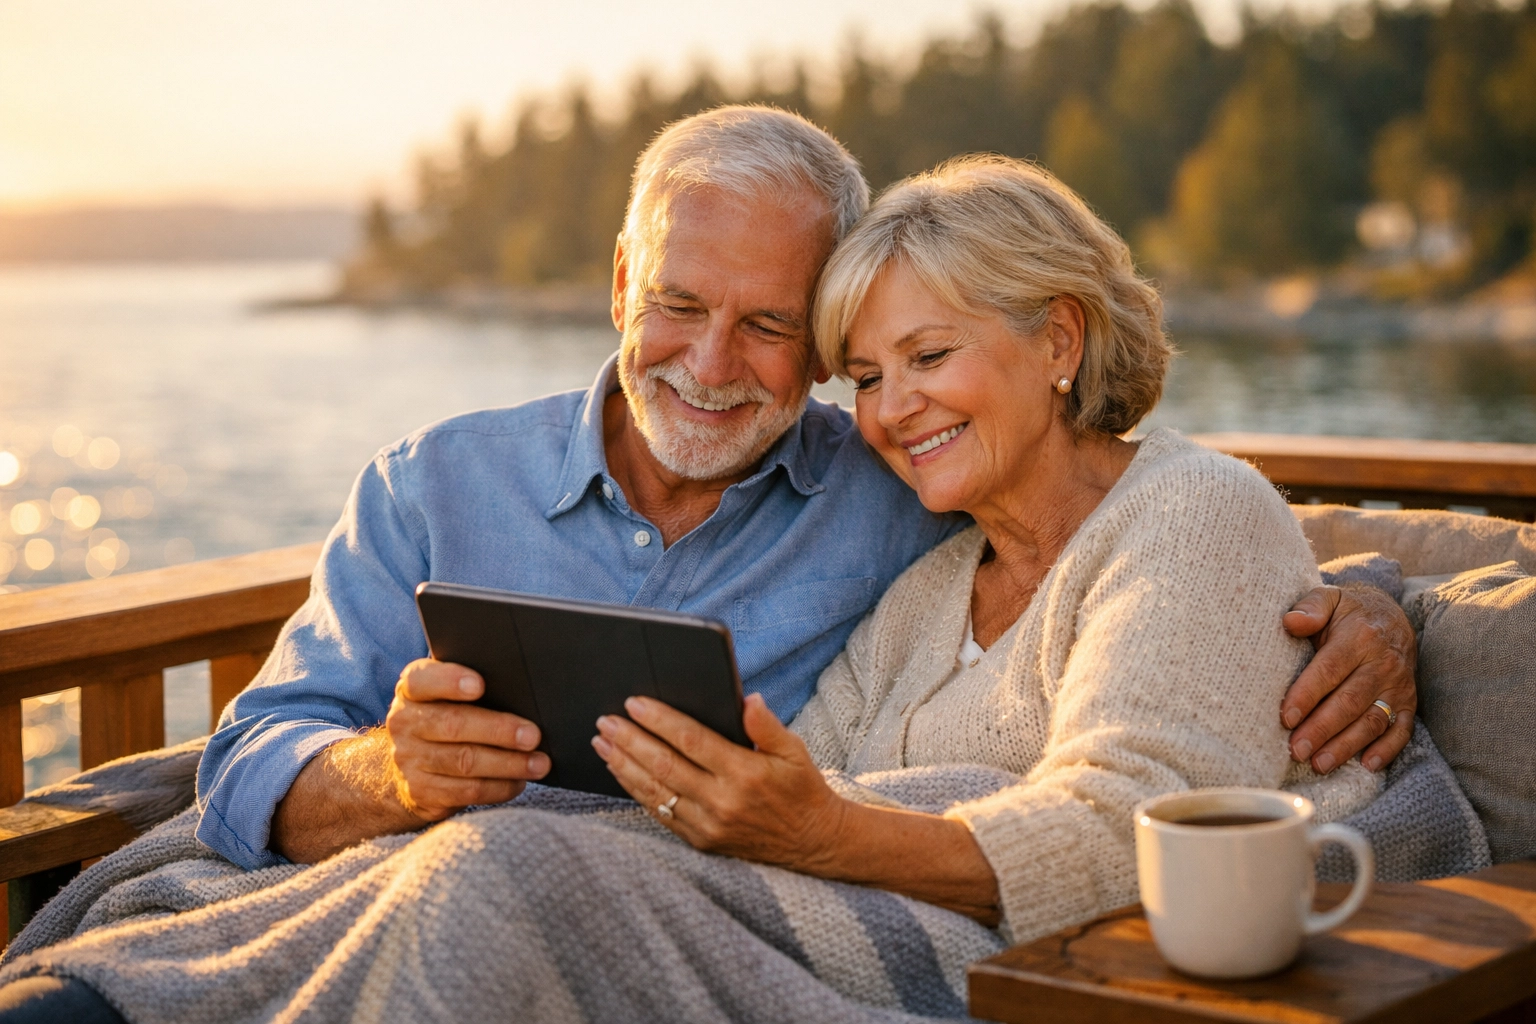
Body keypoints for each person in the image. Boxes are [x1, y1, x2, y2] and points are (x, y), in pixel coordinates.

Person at [0, 113, 1417, 1023]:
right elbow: (255, 750)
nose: (711, 362)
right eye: (678, 304)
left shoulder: (900, 493)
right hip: (448, 889)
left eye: (773, 329)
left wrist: (1372, 605)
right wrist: (387, 775)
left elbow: (1172, 545)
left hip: (662, 922)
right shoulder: (434, 483)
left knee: (498, 872)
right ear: (623, 283)